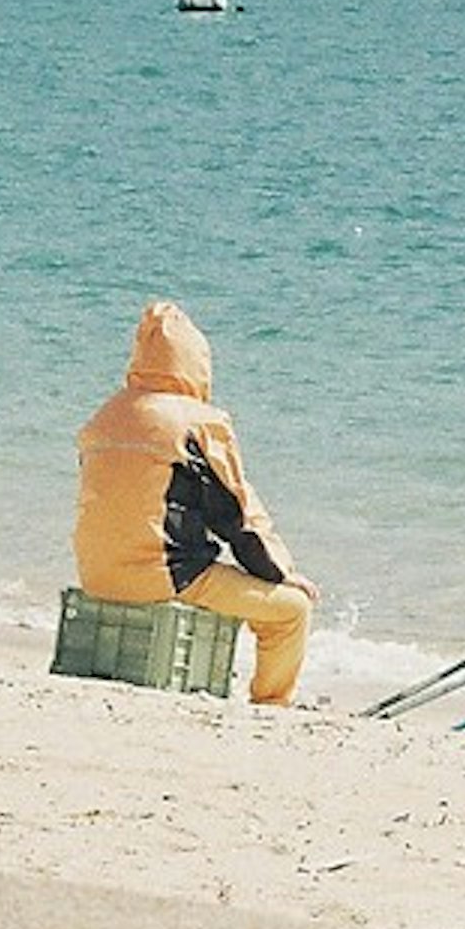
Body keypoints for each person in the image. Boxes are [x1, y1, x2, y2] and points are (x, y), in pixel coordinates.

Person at [74, 300, 316, 705]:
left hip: (95, 574)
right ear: (195, 363)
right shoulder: (197, 422)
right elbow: (236, 518)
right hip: (159, 577)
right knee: (292, 612)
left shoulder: (105, 416)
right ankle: (272, 705)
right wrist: (283, 574)